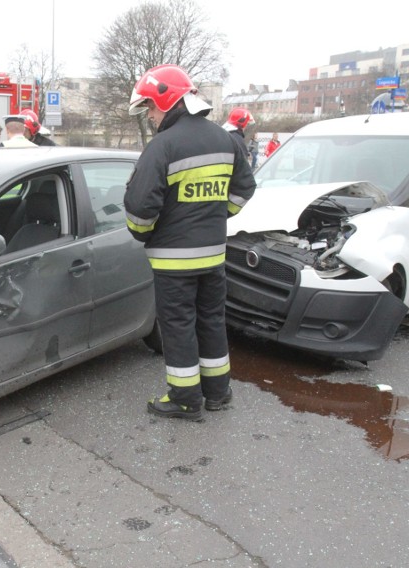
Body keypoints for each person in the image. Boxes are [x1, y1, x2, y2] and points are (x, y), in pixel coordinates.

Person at [123, 64, 256, 421]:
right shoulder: (225, 139)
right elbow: (245, 188)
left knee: (178, 326)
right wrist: (216, 217)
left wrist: (145, 233)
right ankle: (217, 392)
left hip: (173, 262)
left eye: (150, 107)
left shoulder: (163, 146)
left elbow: (139, 209)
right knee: (211, 319)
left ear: (166, 100)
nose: (150, 116)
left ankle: (185, 399)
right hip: (213, 257)